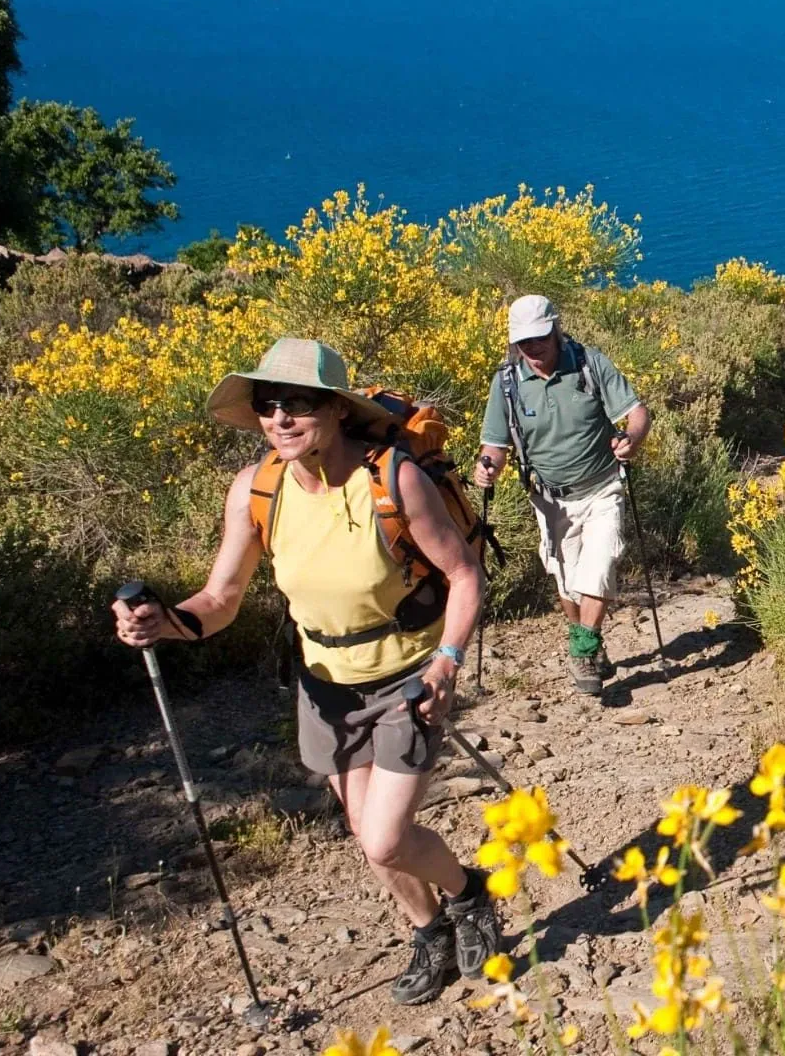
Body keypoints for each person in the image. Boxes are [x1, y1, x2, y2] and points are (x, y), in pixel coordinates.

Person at [110, 338, 499, 1006]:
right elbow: (220, 599)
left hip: (407, 680)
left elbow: (466, 577)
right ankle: (428, 928)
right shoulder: (258, 489)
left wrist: (447, 663)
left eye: (298, 403)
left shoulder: (393, 479)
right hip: (324, 687)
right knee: (363, 833)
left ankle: (470, 895)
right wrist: (164, 621)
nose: (280, 418)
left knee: (384, 837)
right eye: (268, 405)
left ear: (336, 410)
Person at [473, 294, 650, 695]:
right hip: (550, 500)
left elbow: (637, 412)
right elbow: (494, 446)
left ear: (556, 329)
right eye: (523, 342)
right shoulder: (506, 383)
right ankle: (586, 639)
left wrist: (632, 439)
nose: (532, 349)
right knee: (568, 579)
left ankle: (583, 650)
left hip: (603, 485)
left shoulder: (589, 364)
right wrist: (487, 468)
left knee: (600, 563)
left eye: (539, 338)